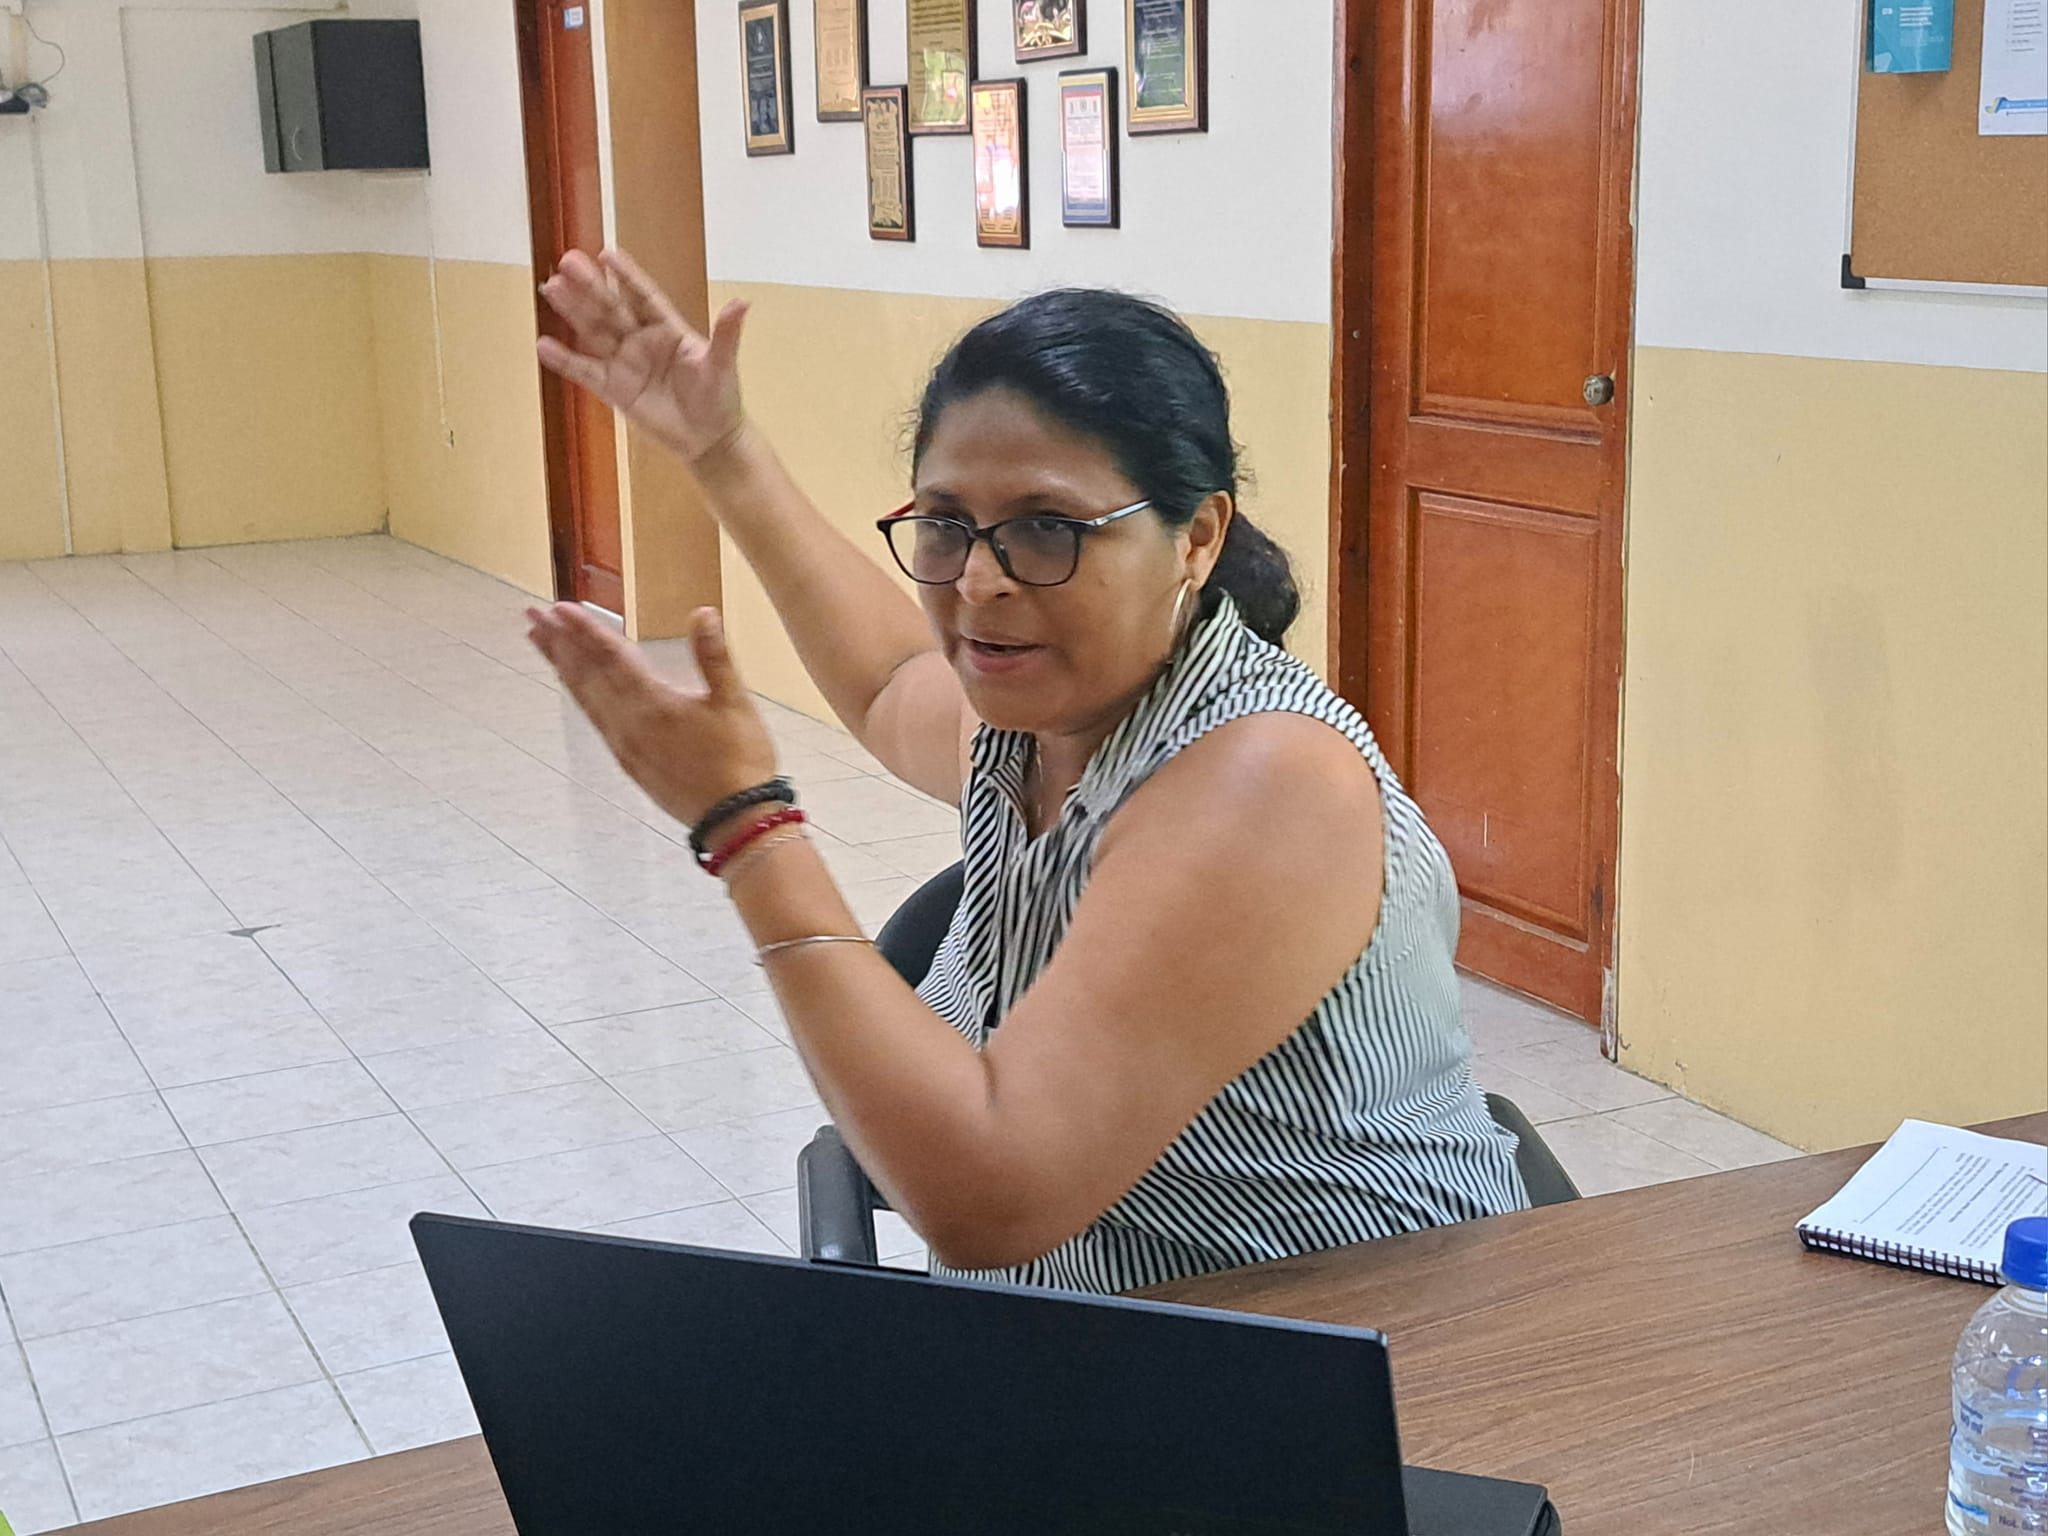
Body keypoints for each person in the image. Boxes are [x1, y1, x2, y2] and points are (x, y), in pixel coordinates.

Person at [528, 249, 1527, 1294]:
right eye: (946, 525)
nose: (979, 582)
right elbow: (888, 684)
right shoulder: (1043, 720)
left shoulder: (1268, 782)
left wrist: (747, 830)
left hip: (1356, 1344)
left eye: (1048, 529)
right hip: (1103, 1328)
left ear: (1196, 537)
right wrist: (723, 448)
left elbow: (993, 1200)